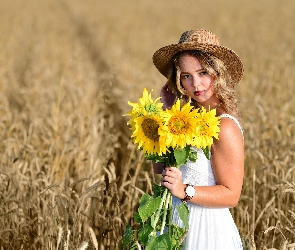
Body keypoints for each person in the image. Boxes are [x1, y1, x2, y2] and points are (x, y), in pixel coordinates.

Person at [152, 29, 244, 249]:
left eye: (203, 73)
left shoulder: (225, 126)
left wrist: (184, 190)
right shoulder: (187, 117)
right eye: (186, 75)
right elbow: (159, 167)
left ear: (217, 73)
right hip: (176, 222)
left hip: (206, 230)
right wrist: (168, 112)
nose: (196, 84)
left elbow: (231, 195)